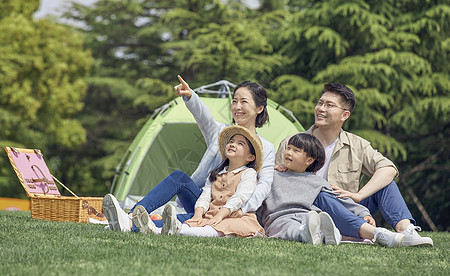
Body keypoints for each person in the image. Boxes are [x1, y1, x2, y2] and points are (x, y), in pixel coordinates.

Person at [103, 75, 275, 233]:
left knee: (179, 222)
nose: (237, 107)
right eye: (235, 101)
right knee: (179, 177)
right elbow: (204, 118)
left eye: (243, 102)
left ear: (259, 108)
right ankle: (130, 217)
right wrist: (190, 97)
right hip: (204, 202)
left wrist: (241, 209)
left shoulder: (266, 148)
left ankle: (131, 225)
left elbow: (263, 186)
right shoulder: (222, 134)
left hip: (234, 209)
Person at [275, 83, 433, 247]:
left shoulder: (357, 145)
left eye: (329, 105)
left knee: (385, 184)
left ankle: (407, 231)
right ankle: (373, 233)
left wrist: (360, 195)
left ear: (345, 115)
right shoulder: (291, 143)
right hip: (308, 212)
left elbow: (389, 169)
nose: (321, 108)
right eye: (320, 103)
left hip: (348, 208)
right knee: (320, 195)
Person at [261, 133, 407, 247]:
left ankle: (395, 231)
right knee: (290, 228)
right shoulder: (272, 174)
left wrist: (363, 213)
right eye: (288, 148)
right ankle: (312, 234)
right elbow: (259, 195)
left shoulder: (316, 181)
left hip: (308, 215)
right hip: (279, 218)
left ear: (309, 161)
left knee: (317, 215)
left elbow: (340, 199)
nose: (289, 153)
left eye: (296, 150)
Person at [134, 125, 265, 237]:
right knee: (193, 220)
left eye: (240, 143)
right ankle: (133, 220)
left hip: (233, 216)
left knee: (215, 227)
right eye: (231, 141)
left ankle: (165, 229)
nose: (232, 144)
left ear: (250, 157)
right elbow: (205, 196)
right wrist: (197, 215)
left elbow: (240, 197)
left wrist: (219, 216)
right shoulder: (215, 173)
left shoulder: (249, 173)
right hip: (209, 214)